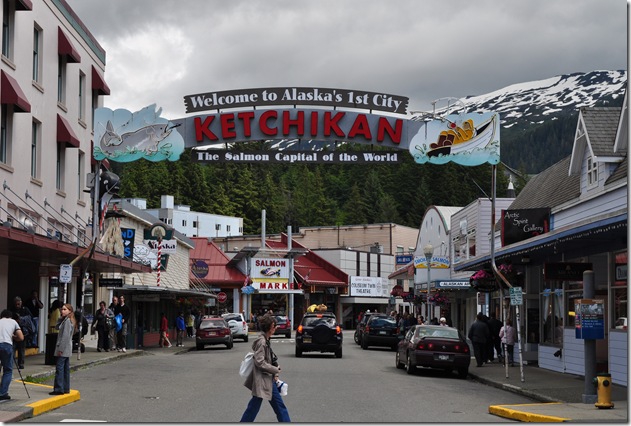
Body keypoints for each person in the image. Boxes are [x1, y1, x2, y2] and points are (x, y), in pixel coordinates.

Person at [240, 314, 290, 422]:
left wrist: (274, 373)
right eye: (274, 326)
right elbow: (260, 362)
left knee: (255, 407)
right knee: (278, 407)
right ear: (270, 327)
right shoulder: (262, 342)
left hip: (266, 379)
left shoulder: (265, 340)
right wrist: (275, 370)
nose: (275, 328)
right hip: (264, 379)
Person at [49, 303, 76, 395]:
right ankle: (65, 388)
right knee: (65, 369)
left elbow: (65, 336)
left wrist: (61, 349)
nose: (62, 311)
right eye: (62, 309)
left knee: (59, 369)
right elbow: (57, 327)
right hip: (66, 348)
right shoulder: (65, 320)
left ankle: (59, 388)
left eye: (65, 309)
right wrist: (61, 318)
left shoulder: (68, 321)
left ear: (70, 311)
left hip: (63, 348)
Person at [0, 309, 23, 401]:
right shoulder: (13, 322)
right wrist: (13, 337)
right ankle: (2, 393)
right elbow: (21, 337)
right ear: (10, 316)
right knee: (8, 370)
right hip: (6, 345)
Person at [10, 297, 32, 369]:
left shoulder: (25, 309)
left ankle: (21, 363)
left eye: (18, 303)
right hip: (13, 331)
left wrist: (21, 319)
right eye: (16, 304)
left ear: (21, 302)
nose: (17, 305)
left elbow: (30, 318)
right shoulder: (11, 310)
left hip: (23, 332)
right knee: (12, 348)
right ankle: (11, 363)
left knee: (21, 349)